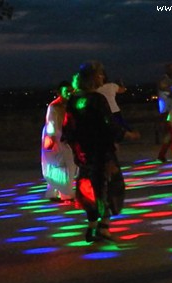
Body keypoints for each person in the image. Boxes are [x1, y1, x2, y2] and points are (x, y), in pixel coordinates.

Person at [62, 61, 140, 242]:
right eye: (99, 75)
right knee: (108, 187)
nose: (103, 78)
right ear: (92, 78)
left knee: (88, 188)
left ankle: (91, 225)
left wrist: (76, 148)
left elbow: (68, 128)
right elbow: (109, 125)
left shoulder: (74, 100)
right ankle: (104, 226)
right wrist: (127, 135)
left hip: (83, 153)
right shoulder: (97, 100)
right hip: (101, 152)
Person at [41, 81, 77, 203]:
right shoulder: (54, 106)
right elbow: (51, 125)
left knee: (61, 166)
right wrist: (56, 138)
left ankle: (53, 192)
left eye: (71, 90)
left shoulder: (70, 104)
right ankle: (66, 193)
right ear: (59, 92)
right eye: (66, 91)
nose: (69, 93)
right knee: (64, 165)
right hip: (58, 139)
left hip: (66, 137)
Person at [157, 63, 172, 163]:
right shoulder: (165, 80)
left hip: (170, 110)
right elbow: (162, 87)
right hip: (167, 110)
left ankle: (162, 154)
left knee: (170, 134)